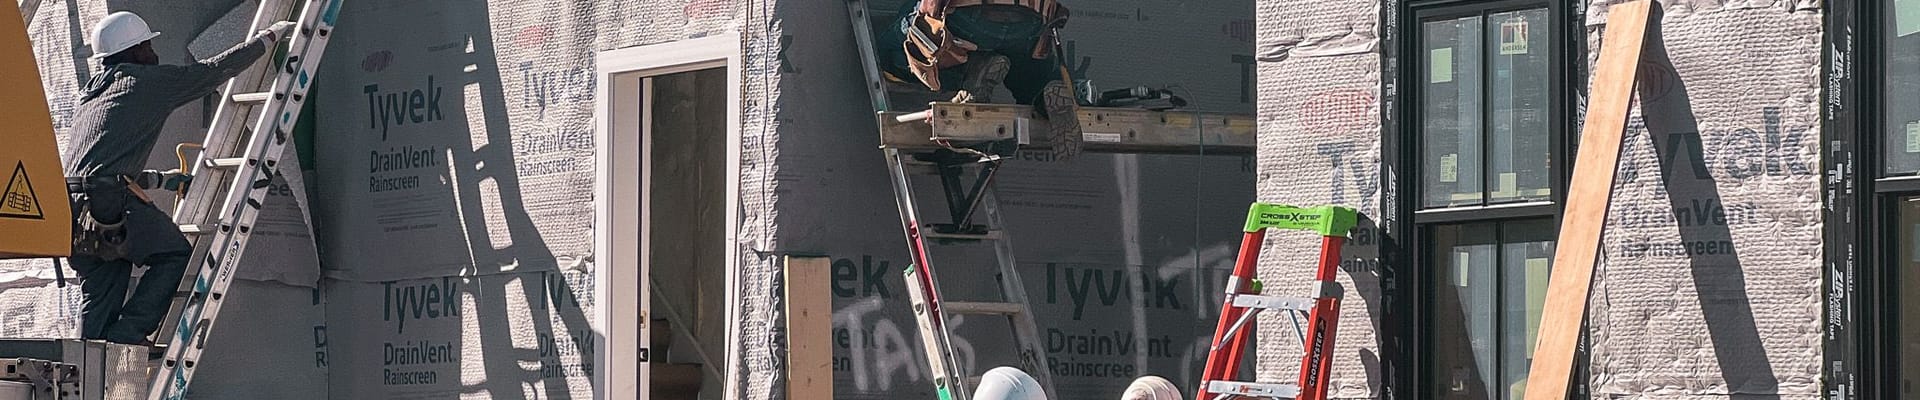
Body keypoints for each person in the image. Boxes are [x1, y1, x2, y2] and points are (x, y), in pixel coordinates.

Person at [61, 11, 294, 345]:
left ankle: (86, 378)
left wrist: (158, 179)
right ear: (135, 50)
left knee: (100, 295)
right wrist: (267, 39)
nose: (154, 53)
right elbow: (210, 73)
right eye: (148, 45)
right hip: (108, 205)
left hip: (74, 212)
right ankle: (127, 336)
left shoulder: (92, 96)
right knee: (172, 254)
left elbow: (100, 163)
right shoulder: (145, 82)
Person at [879, 0, 1083, 160]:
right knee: (1024, 67)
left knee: (888, 50)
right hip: (1031, 19)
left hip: (970, 15)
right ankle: (1042, 93)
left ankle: (972, 70)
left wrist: (928, 15)